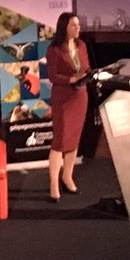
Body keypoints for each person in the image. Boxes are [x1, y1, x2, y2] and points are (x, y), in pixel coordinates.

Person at [46, 11, 90, 202]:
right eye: (74, 25)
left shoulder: (82, 45)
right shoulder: (54, 49)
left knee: (73, 140)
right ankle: (54, 184)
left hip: (80, 97)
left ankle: (68, 177)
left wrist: (88, 76)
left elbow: (86, 68)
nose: (78, 28)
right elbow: (53, 76)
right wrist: (71, 79)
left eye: (78, 25)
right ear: (65, 27)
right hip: (63, 99)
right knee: (60, 141)